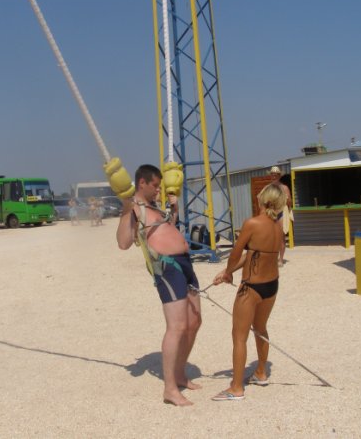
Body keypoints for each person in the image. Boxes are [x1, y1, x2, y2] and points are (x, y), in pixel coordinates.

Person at [116, 164, 202, 407]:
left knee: (195, 322)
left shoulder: (155, 206)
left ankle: (180, 374)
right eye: (155, 186)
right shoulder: (134, 208)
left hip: (185, 264)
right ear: (142, 183)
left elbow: (167, 229)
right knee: (177, 326)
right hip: (167, 269)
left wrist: (174, 210)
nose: (158, 190)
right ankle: (170, 389)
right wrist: (125, 210)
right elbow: (123, 243)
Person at [210, 183, 286, 401]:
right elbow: (254, 254)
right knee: (260, 328)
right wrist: (228, 271)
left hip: (251, 287)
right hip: (271, 286)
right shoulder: (277, 226)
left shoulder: (252, 223)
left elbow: (235, 253)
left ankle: (236, 388)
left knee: (239, 336)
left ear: (264, 199)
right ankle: (261, 372)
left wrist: (229, 272)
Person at [269, 166, 292, 267]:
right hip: (271, 213)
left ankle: (281, 259)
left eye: (276, 174)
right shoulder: (268, 188)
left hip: (282, 212)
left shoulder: (284, 187)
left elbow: (290, 202)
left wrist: (284, 199)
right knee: (272, 237)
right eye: (272, 174)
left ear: (279, 175)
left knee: (281, 236)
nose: (274, 176)